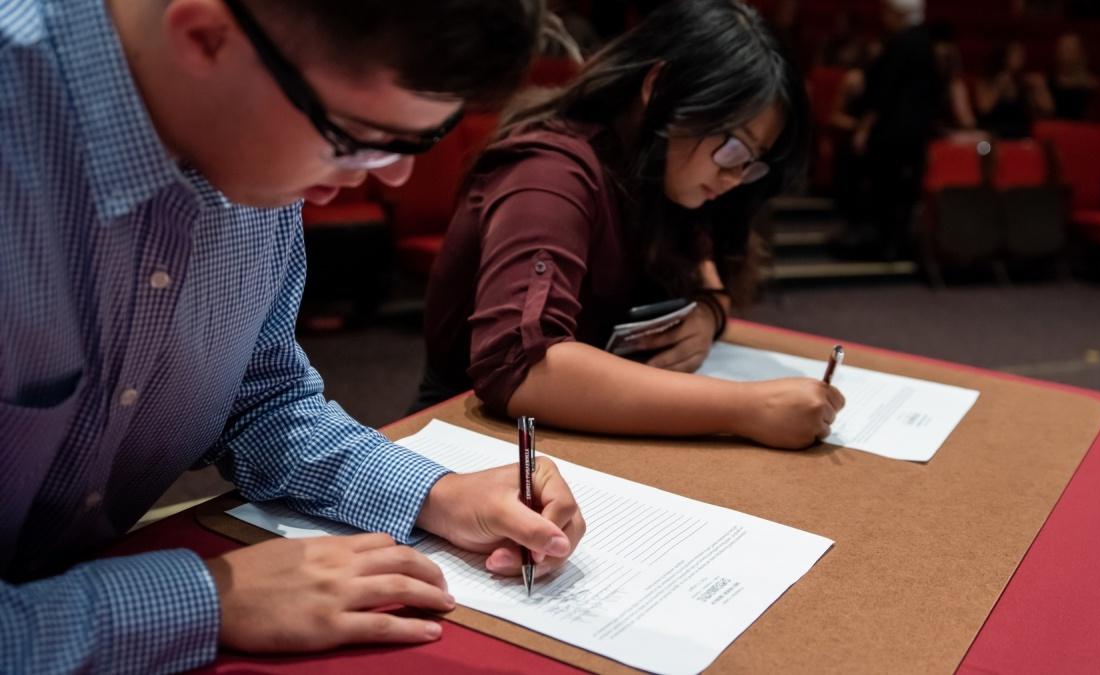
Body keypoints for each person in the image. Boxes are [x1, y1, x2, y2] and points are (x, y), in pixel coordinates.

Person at [0, 0, 586, 671]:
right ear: (204, 37)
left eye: (418, 142)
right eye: (358, 138)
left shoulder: (253, 134)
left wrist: (433, 494)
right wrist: (203, 599)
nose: (390, 176)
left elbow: (259, 397)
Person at [416, 0, 845, 450]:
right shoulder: (548, 172)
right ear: (659, 86)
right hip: (471, 438)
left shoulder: (663, 174)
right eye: (734, 148)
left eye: (753, 164)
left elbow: (708, 275)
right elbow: (520, 365)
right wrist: (747, 407)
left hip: (584, 435)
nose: (736, 177)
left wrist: (708, 311)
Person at [849, 0, 941, 260]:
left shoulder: (900, 44)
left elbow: (883, 92)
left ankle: (884, 243)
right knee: (905, 191)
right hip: (916, 131)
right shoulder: (926, 44)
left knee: (886, 189)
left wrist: (865, 128)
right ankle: (897, 244)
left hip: (893, 132)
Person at [974, 41, 1055, 138]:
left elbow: (1048, 109)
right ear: (1003, 57)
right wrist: (998, 87)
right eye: (1016, 54)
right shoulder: (986, 80)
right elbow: (984, 108)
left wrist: (1041, 88)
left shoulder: (1025, 82)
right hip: (993, 132)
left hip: (1021, 133)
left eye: (1022, 55)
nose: (1021, 58)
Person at [1049, 32, 1098, 120]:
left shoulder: (1090, 86)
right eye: (1061, 47)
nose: (1064, 52)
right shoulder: (1047, 84)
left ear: (1081, 53)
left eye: (1069, 48)